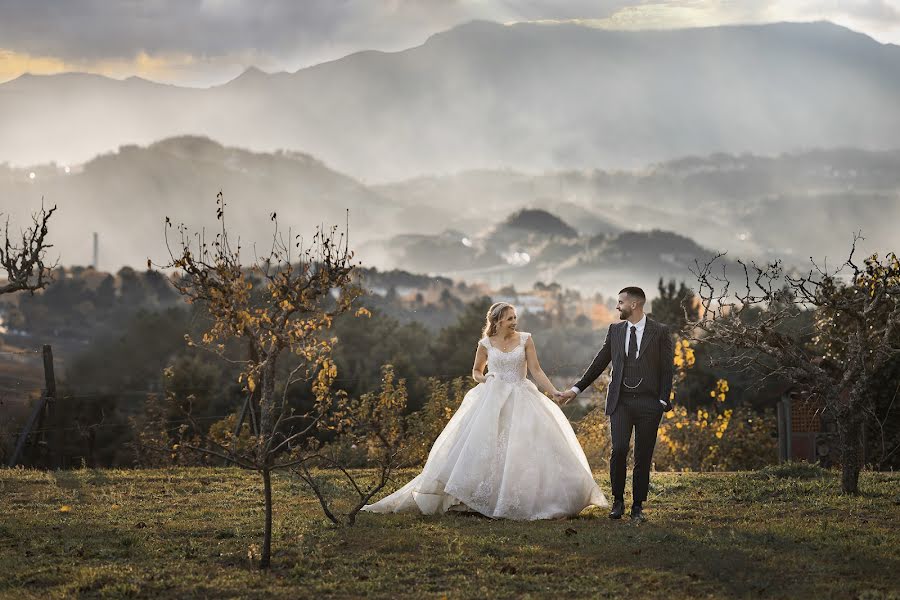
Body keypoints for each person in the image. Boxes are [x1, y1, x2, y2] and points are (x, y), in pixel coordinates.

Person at [362, 301, 607, 519]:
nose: (514, 322)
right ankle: (473, 497)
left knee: (523, 447)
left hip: (521, 396)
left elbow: (536, 370)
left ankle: (530, 497)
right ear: (497, 321)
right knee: (484, 445)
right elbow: (476, 371)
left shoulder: (525, 339)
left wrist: (553, 392)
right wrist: (485, 379)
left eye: (515, 317)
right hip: (492, 397)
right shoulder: (485, 344)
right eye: (510, 318)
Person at [556, 287, 674, 522]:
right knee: (619, 449)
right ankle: (618, 501)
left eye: (620, 302)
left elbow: (667, 368)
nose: (617, 306)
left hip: (649, 404)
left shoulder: (660, 332)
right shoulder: (616, 331)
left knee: (643, 455)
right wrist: (576, 389)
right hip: (621, 402)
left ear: (634, 305)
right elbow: (599, 362)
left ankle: (638, 506)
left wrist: (662, 400)